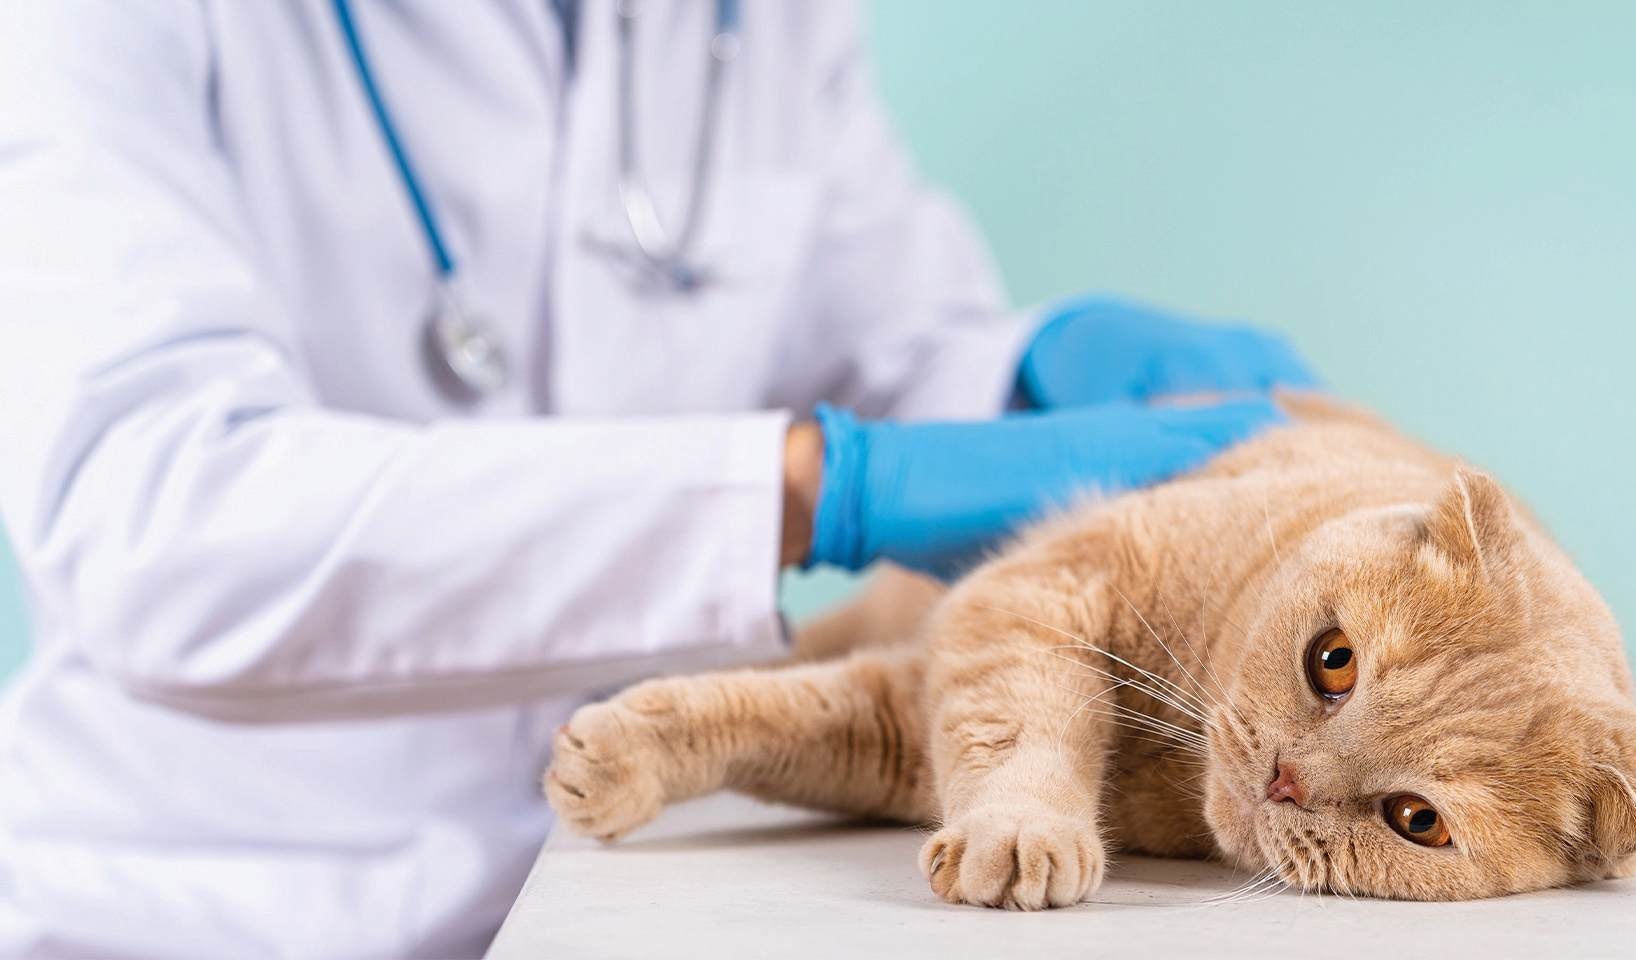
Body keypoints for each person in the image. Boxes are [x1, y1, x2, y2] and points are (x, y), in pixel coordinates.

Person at [0, 2, 1317, 955]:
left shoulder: (748, 21)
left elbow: (877, 330)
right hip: (188, 899)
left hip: (615, 871)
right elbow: (154, 518)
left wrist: (1025, 368)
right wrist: (810, 490)